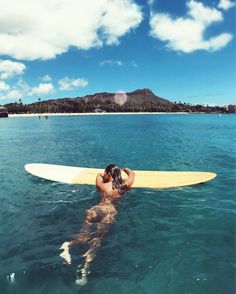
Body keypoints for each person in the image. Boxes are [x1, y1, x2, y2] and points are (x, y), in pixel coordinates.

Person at [60, 164, 135, 285]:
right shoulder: (123, 186)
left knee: (83, 236)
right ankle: (85, 267)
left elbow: (99, 175)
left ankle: (67, 245)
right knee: (96, 241)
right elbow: (132, 175)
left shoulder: (101, 185)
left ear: (107, 174)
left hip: (95, 209)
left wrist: (105, 175)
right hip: (109, 212)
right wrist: (125, 169)